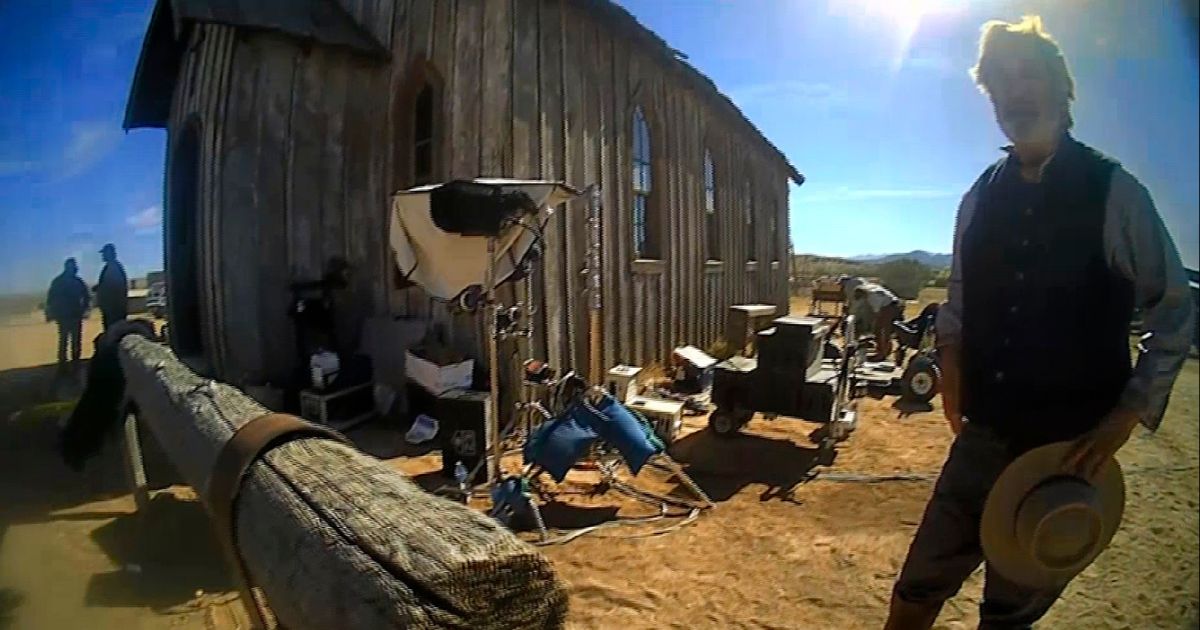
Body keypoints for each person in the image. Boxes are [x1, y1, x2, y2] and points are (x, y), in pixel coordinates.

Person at [884, 16, 1193, 629]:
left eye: (1027, 75)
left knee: (1008, 614)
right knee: (916, 590)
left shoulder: (1114, 192)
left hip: (1066, 454)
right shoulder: (980, 196)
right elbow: (959, 304)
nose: (1013, 92)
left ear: (1062, 88)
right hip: (982, 439)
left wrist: (1126, 417)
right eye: (999, 82)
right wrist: (950, 373)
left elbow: (1177, 310)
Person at [840, 276, 904, 361]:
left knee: (881, 330)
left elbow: (877, 313)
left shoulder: (872, 297)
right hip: (894, 304)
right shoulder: (870, 287)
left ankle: (881, 354)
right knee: (883, 330)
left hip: (890, 307)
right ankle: (883, 351)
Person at [45, 258, 90, 374]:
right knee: (72, 341)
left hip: (66, 316)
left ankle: (65, 366)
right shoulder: (76, 281)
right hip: (71, 316)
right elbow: (86, 296)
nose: (76, 269)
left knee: (65, 341)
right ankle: (72, 365)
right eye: (74, 267)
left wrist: (52, 313)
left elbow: (51, 299)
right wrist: (84, 309)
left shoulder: (58, 281)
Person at [94, 243, 128, 331]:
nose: (103, 255)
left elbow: (114, 288)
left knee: (114, 333)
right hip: (111, 309)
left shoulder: (113, 267)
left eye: (104, 253)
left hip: (113, 310)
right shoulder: (111, 267)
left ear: (109, 253)